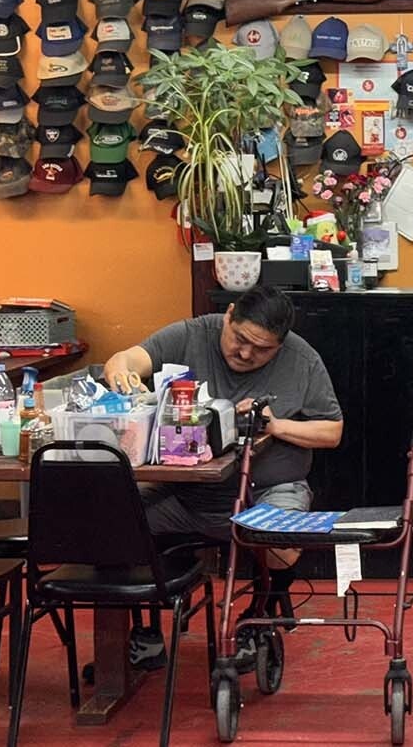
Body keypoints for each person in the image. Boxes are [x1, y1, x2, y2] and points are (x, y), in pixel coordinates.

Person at [102, 285, 342, 667]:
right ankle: (143, 628)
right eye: (240, 339)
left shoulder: (302, 359)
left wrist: (275, 426)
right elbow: (126, 359)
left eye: (262, 349)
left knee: (283, 538)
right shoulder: (192, 334)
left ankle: (260, 615)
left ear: (281, 345)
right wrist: (121, 374)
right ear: (229, 315)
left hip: (267, 487)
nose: (246, 353)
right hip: (184, 492)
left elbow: (332, 431)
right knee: (114, 523)